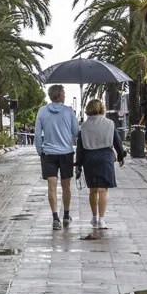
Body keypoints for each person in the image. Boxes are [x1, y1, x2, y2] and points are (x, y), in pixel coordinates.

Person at [75, 99, 126, 229]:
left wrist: (78, 165)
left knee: (93, 189)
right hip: (105, 157)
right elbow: (117, 141)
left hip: (89, 158)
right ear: (101, 108)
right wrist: (120, 156)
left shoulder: (84, 126)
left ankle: (94, 217)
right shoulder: (109, 123)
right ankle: (102, 219)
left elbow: (80, 148)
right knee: (103, 189)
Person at [35, 85, 80, 229]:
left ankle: (55, 218)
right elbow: (75, 132)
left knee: (51, 187)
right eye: (64, 93)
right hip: (66, 153)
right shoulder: (69, 112)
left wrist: (40, 150)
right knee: (66, 186)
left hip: (48, 154)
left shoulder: (42, 111)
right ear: (60, 95)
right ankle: (66, 216)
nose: (65, 95)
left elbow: (37, 135)